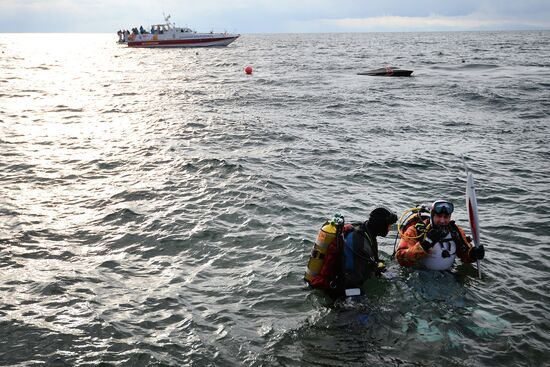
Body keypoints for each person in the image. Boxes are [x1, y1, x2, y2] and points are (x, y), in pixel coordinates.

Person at [396, 200, 485, 271]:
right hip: (421, 274)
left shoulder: (456, 231)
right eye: (439, 216)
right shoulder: (416, 231)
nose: (442, 221)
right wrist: (424, 245)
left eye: (446, 217)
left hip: (448, 274)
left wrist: (474, 255)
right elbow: (400, 258)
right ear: (432, 215)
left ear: (450, 217)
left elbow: (465, 256)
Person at [337, 207, 398, 297]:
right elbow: (351, 282)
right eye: (388, 225)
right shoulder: (359, 243)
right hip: (343, 292)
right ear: (380, 225)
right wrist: (359, 306)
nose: (390, 229)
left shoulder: (367, 232)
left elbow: (372, 260)